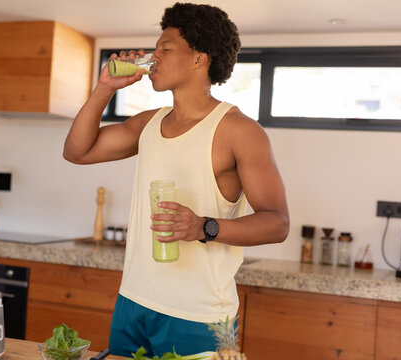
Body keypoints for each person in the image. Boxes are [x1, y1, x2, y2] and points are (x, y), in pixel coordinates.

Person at [63, 2, 289, 357]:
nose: (154, 58)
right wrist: (105, 89)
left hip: (198, 316)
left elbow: (277, 224)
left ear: (200, 59)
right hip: (133, 302)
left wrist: (203, 227)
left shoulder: (240, 131)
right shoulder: (149, 122)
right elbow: (77, 152)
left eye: (165, 50)